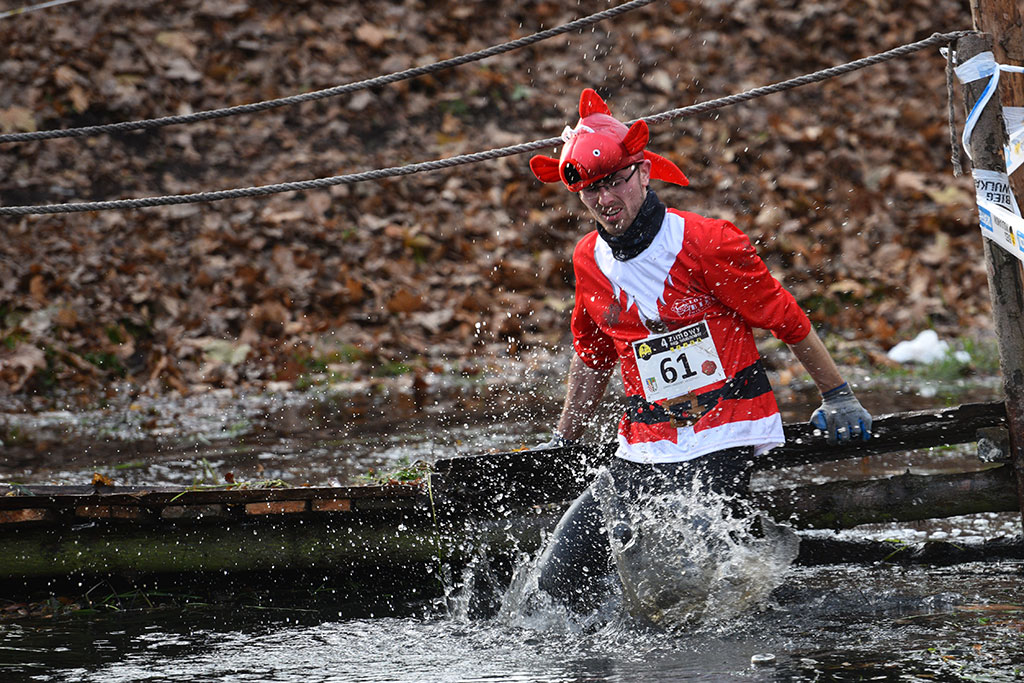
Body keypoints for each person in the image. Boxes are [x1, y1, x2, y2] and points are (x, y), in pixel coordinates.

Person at [526, 88, 872, 614]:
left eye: (615, 181)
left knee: (686, 579)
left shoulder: (707, 241)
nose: (605, 200)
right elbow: (592, 352)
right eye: (591, 190)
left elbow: (785, 317)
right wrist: (564, 436)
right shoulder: (587, 259)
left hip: (727, 423)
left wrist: (838, 394)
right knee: (556, 581)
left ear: (643, 172)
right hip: (645, 439)